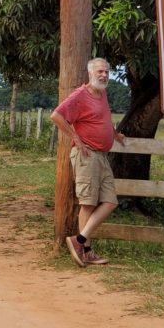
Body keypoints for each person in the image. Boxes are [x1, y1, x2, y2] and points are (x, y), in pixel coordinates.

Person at [50, 57, 126, 267]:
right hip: (87, 155)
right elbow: (56, 116)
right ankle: (86, 251)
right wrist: (75, 138)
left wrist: (114, 134)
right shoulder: (80, 95)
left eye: (106, 72)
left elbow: (101, 119)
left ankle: (79, 241)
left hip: (101, 155)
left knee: (110, 202)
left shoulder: (102, 93)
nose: (104, 75)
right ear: (90, 73)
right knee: (88, 203)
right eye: (100, 72)